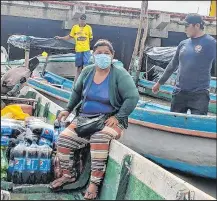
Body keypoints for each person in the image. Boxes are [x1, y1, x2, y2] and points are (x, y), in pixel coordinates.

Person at [50, 39, 139, 199]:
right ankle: (68, 175)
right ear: (93, 55)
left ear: (113, 56)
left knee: (99, 138)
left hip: (109, 120)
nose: (103, 56)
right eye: (99, 53)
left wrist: (118, 117)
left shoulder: (120, 74)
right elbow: (76, 92)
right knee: (63, 139)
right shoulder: (87, 71)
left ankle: (94, 183)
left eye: (107, 53)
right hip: (85, 119)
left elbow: (132, 97)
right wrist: (67, 109)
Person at [152, 13, 216, 115]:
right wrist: (159, 83)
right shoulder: (183, 44)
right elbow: (173, 65)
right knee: (174, 123)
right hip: (179, 93)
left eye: (187, 26)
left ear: (197, 26)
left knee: (197, 125)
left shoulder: (210, 43)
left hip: (199, 95)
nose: (185, 29)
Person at [55, 14, 93, 82]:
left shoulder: (88, 28)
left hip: (86, 50)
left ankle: (85, 81)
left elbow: (90, 38)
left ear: (85, 21)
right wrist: (61, 38)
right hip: (78, 50)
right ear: (79, 20)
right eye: (81, 20)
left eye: (83, 20)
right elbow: (69, 36)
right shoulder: (75, 27)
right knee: (79, 68)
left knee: (86, 66)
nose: (82, 22)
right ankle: (76, 82)